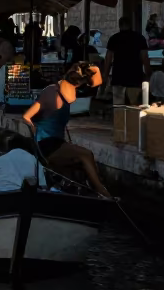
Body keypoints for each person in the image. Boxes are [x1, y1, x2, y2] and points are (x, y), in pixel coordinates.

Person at [21, 62, 110, 196]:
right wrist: (34, 131)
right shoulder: (51, 92)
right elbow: (27, 117)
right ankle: (102, 191)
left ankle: (89, 191)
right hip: (46, 145)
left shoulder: (69, 92)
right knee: (86, 154)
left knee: (81, 165)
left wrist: (87, 68)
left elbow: (97, 81)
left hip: (58, 142)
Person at [103, 17, 150, 106]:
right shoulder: (139, 38)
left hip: (118, 75)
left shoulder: (114, 38)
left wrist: (105, 74)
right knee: (134, 105)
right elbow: (145, 58)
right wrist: (148, 73)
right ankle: (133, 119)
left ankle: (119, 119)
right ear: (131, 25)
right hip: (135, 75)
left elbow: (108, 58)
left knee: (118, 104)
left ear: (119, 25)